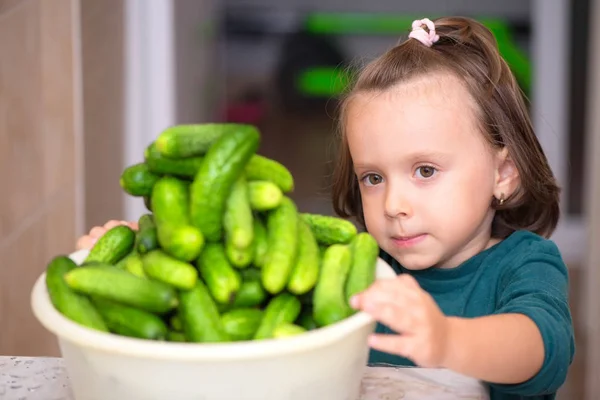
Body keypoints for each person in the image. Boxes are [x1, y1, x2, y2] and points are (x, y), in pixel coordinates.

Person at [77, 16, 574, 400]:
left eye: (425, 170)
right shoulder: (350, 260)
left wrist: (446, 340)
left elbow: (540, 346)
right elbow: (234, 289)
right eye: (373, 178)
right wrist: (133, 266)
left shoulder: (523, 265)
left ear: (503, 175)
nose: (395, 204)